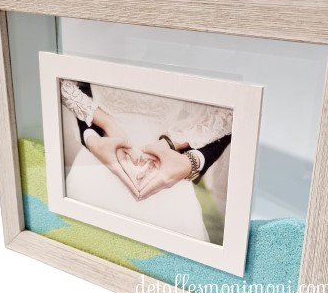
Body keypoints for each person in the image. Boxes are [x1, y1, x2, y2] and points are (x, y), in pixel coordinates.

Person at [60, 79, 232, 242]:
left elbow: (229, 113)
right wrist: (97, 133)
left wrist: (188, 161)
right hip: (97, 169)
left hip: (166, 180)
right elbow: (69, 83)